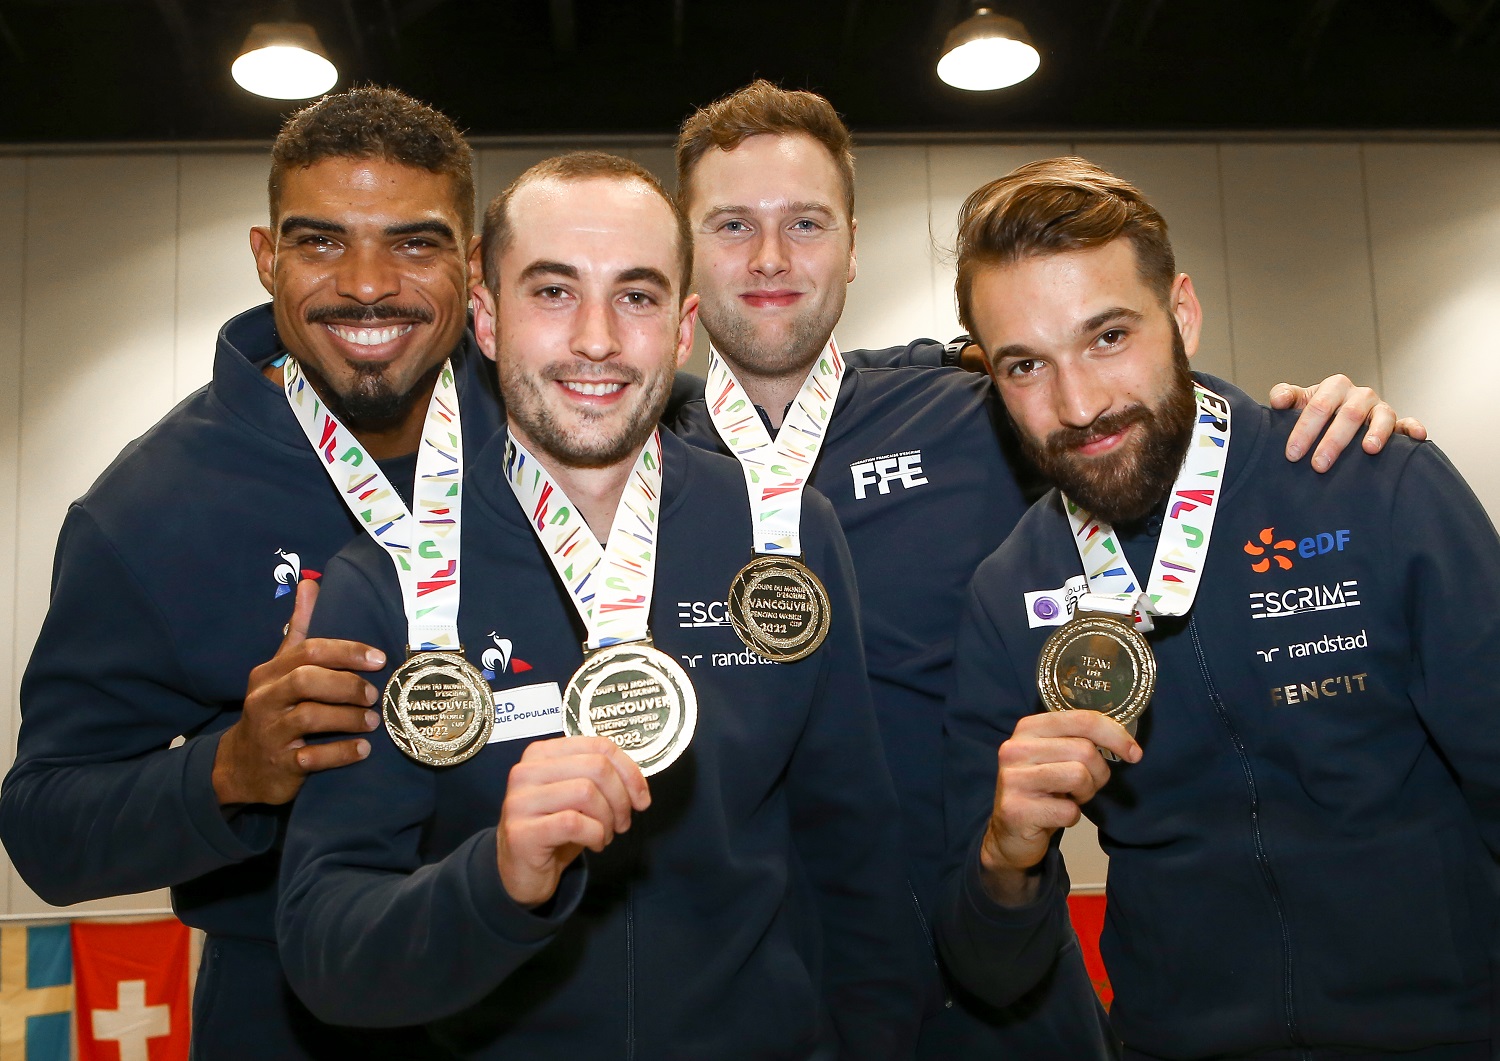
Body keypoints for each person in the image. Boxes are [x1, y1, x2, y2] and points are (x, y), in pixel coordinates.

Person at [666, 79, 1417, 1057]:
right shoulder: (626, 458)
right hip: (752, 1001)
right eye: (732, 224)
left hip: (995, 997)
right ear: (684, 249)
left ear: (853, 242)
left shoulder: (971, 406)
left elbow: (1148, 416)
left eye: (805, 222)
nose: (770, 257)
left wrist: (1321, 430)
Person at [276, 151, 928, 1058]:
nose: (596, 340)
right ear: (487, 319)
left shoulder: (782, 534)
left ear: (685, 326)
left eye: (637, 296)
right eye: (552, 292)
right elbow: (323, 948)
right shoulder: (391, 574)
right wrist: (496, 879)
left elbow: (857, 857)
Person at [940, 156, 1500, 1059]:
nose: (1079, 404)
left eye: (1109, 336)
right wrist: (1008, 852)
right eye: (1025, 365)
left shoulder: (1365, 480)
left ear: (1183, 314)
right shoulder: (1010, 592)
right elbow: (987, 967)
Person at [0, 87, 498, 1058]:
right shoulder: (147, 506)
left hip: (559, 979)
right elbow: (45, 828)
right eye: (321, 242)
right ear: (267, 257)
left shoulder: (563, 438)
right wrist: (234, 769)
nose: (366, 284)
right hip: (289, 1011)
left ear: (471, 265)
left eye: (413, 242)